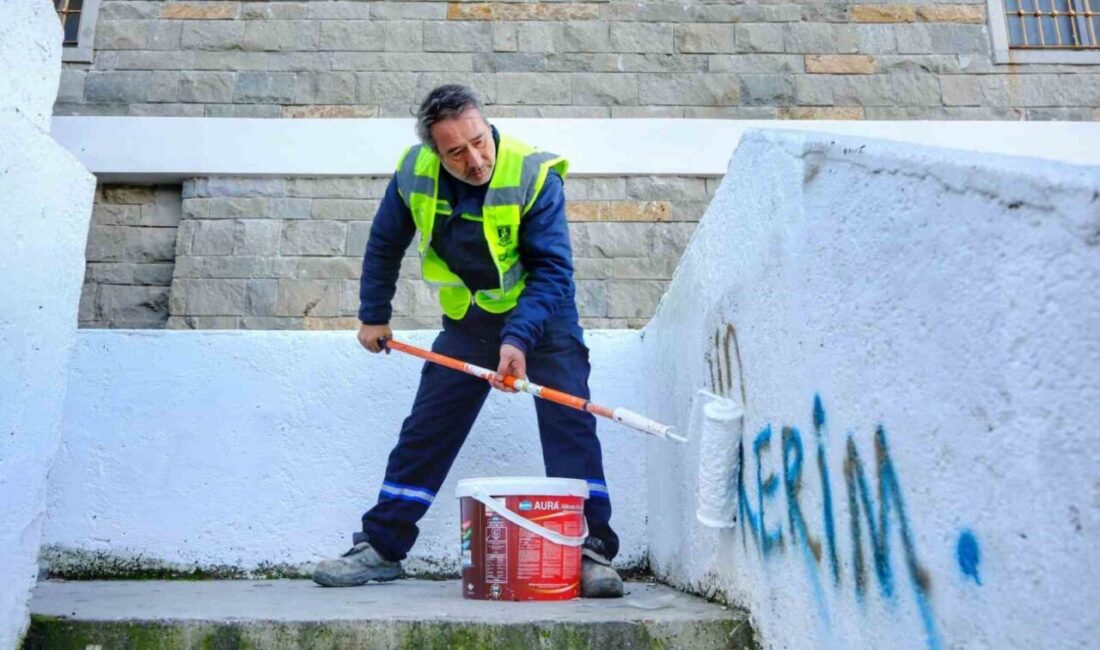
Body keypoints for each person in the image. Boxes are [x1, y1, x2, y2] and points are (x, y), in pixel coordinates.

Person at [311, 84, 623, 598]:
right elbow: (385, 243)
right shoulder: (414, 173)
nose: (475, 159)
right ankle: (382, 547)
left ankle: (591, 552)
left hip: (543, 318)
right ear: (436, 151)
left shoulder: (532, 173)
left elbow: (552, 270)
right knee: (428, 428)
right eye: (456, 151)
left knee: (570, 425)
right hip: (470, 322)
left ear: (487, 126)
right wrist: (374, 316)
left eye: (479, 141)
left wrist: (519, 338)